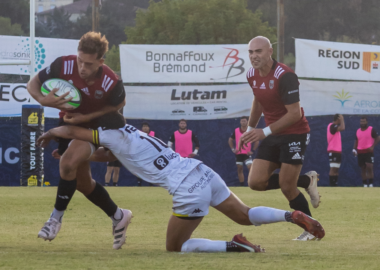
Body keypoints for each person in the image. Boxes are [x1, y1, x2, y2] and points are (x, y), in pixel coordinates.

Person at [37, 114, 325, 253]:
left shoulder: (108, 133)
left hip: (187, 189)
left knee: (176, 247)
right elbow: (112, 154)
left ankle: (236, 247)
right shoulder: (130, 131)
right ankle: (291, 215)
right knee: (247, 215)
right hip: (201, 170)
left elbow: (74, 130)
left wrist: (52, 131)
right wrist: (68, 151)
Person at [26, 32, 131, 249]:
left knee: (68, 163)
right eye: (79, 60)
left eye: (89, 64)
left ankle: (55, 219)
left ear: (101, 62)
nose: (82, 67)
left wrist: (87, 117)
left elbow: (119, 104)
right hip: (70, 125)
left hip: (94, 127)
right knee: (83, 184)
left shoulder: (111, 81)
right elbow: (32, 84)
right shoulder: (62, 65)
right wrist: (42, 99)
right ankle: (119, 216)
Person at [239, 36, 321, 241]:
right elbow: (258, 101)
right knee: (255, 182)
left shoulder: (285, 75)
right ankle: (306, 180)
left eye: (258, 51)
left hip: (294, 133)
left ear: (269, 52)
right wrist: (250, 129)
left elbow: (295, 114)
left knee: (287, 187)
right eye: (250, 52)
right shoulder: (251, 74)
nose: (254, 56)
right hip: (272, 133)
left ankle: (311, 229)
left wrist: (263, 132)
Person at [228, 116, 259, 186]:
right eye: (242, 121)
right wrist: (233, 149)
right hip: (239, 154)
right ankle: (241, 185)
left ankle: (252, 183)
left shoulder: (250, 131)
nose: (243, 122)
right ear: (240, 122)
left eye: (244, 121)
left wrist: (253, 151)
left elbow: (257, 141)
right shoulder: (236, 131)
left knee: (250, 168)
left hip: (247, 154)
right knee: (239, 169)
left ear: (247, 122)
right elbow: (230, 140)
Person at [353, 117, 380, 187]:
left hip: (369, 151)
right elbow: (356, 140)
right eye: (361, 122)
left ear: (367, 122)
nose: (362, 123)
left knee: (369, 167)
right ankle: (365, 184)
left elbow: (378, 138)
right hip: (360, 152)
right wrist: (354, 149)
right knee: (363, 168)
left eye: (364, 122)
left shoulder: (371, 129)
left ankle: (370, 184)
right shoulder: (358, 131)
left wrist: (373, 146)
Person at [327, 114, 345, 186]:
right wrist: (342, 120)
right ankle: (332, 184)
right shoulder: (332, 126)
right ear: (338, 119)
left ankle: (335, 184)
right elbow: (342, 128)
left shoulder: (335, 127)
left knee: (336, 168)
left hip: (337, 151)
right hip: (333, 150)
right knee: (333, 168)